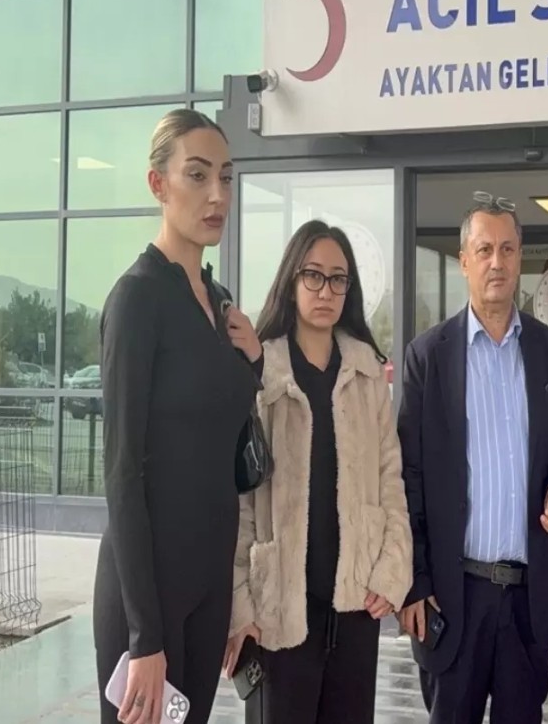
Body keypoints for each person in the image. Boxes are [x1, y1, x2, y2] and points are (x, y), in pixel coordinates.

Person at [93, 108, 262, 724]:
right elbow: (121, 474)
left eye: (226, 177)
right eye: (197, 175)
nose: (218, 194)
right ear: (157, 184)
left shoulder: (219, 303)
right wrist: (145, 638)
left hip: (208, 587)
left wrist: (256, 362)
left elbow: (225, 439)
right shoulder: (138, 299)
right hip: (149, 595)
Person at [397, 193, 548, 724]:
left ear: (519, 257)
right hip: (454, 599)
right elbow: (408, 477)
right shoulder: (428, 356)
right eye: (484, 250)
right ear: (464, 262)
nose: (496, 262)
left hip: (527, 600)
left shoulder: (545, 347)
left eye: (506, 249)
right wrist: (415, 583)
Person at [223, 220, 413, 723]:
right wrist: (241, 607)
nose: (325, 290)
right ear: (292, 281)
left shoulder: (366, 372)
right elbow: (241, 500)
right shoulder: (263, 372)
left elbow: (390, 480)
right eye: (313, 275)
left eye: (338, 279)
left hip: (355, 606)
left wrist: (392, 570)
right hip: (279, 609)